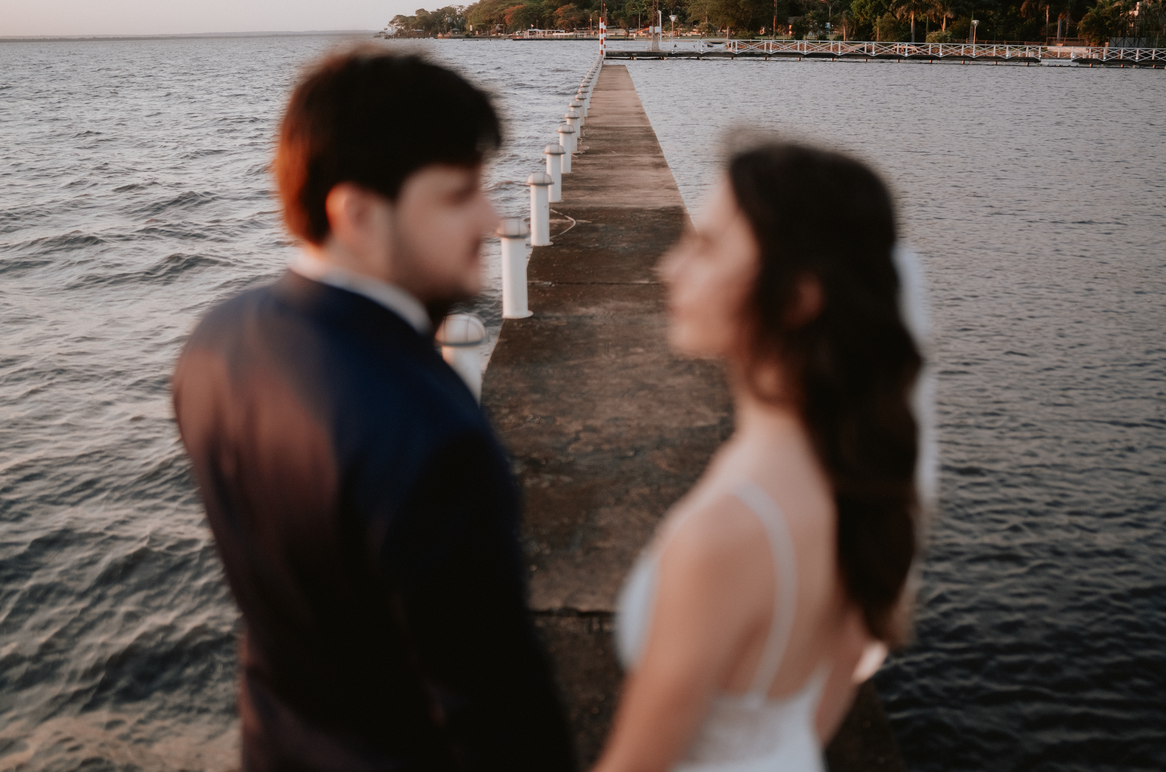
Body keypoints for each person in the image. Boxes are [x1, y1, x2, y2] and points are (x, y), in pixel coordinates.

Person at [173, 47, 575, 772]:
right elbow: (495, 707)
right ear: (356, 212)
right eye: (457, 196)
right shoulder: (432, 432)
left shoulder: (215, 341)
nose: (489, 219)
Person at [593, 141, 928, 772]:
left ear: (798, 298)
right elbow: (818, 710)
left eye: (707, 246)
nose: (670, 266)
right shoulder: (860, 477)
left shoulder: (721, 536)